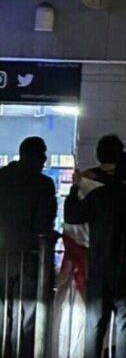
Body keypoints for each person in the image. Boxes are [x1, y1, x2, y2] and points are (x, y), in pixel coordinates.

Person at [64, 151, 126, 358]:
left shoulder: (100, 196)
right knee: (125, 327)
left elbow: (72, 215)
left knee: (95, 325)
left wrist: (74, 188)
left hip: (100, 268)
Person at [0, 137, 57, 358]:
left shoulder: (2, 177)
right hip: (30, 256)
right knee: (28, 314)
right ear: (40, 157)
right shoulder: (43, 184)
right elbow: (45, 221)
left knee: (2, 311)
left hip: (2, 255)